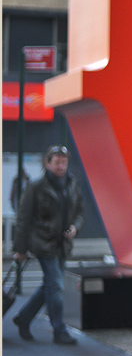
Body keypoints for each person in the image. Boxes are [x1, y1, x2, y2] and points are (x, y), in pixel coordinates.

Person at [12, 145, 84, 345]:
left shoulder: (72, 184)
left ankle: (24, 318)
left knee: (50, 286)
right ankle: (59, 330)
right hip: (43, 243)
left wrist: (75, 228)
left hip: (63, 244)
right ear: (48, 163)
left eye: (64, 162)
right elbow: (24, 218)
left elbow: (80, 211)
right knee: (56, 286)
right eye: (57, 162)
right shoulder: (35, 186)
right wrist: (20, 249)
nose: (61, 166)